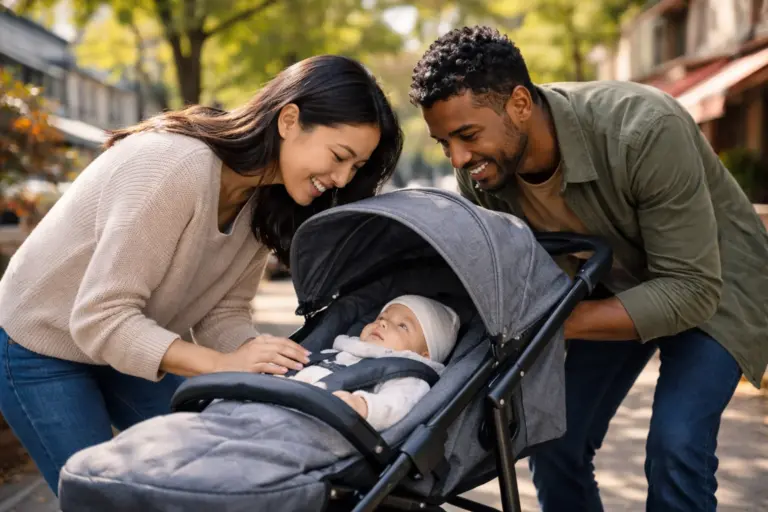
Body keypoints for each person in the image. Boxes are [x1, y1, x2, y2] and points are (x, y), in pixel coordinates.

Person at [0, 54, 403, 494]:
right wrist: (222, 365)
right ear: (289, 120)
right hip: (39, 346)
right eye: (340, 156)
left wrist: (266, 361)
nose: (343, 178)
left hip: (126, 344)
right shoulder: (173, 166)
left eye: (357, 168)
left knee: (208, 475)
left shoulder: (265, 199)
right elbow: (101, 317)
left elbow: (221, 312)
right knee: (102, 497)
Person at [409, 26, 768, 512]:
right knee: (553, 437)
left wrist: (551, 325)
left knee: (676, 444)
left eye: (467, 135)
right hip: (610, 282)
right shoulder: (480, 175)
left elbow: (690, 289)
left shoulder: (643, 129)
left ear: (518, 103)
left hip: (713, 283)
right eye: (443, 142)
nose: (458, 157)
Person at [289, 295, 460, 431]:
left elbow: (396, 404)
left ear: (424, 355)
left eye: (402, 326)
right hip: (285, 404)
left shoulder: (408, 375)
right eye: (381, 317)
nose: (383, 323)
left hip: (324, 428)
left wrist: (363, 406)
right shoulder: (335, 353)